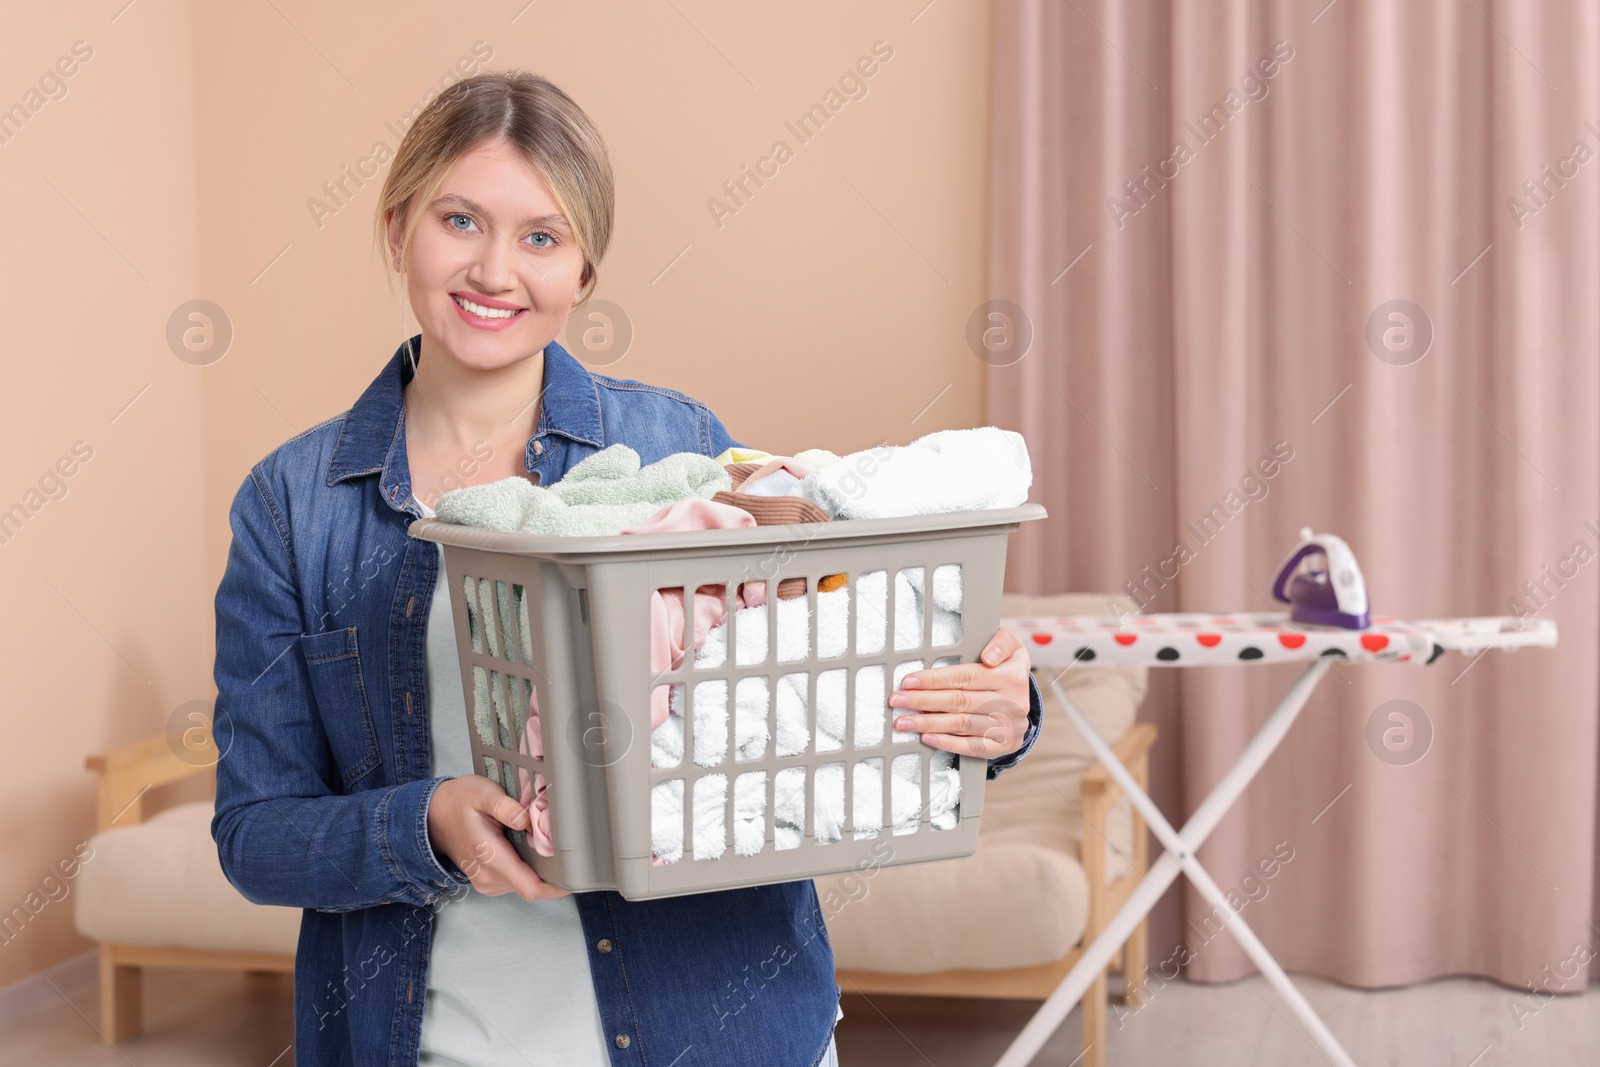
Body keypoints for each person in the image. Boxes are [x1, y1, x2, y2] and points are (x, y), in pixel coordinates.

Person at [211, 69, 1044, 1067]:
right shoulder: (293, 506)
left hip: (721, 1029)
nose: (494, 270)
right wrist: (422, 823)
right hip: (438, 1040)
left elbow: (820, 672)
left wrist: (997, 713)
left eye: (540, 237)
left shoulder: (682, 448)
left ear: (583, 271)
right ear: (398, 230)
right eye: (460, 220)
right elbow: (255, 832)